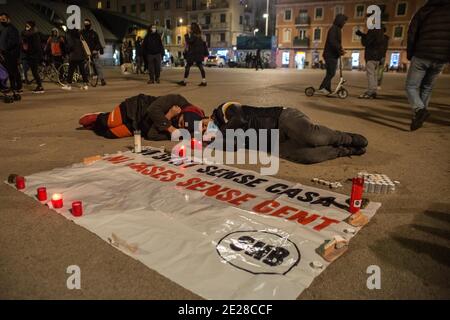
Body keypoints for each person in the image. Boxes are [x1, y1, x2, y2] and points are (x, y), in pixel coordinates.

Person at [202, 102, 368, 165]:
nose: (205, 128)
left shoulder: (224, 108)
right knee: (308, 157)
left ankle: (346, 137)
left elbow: (239, 119)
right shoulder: (223, 136)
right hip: (274, 145)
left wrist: (217, 135)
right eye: (202, 131)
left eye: (204, 125)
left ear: (207, 117)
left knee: (311, 137)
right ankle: (344, 150)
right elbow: (233, 147)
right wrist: (212, 141)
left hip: (282, 119)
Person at [78, 94, 205, 140]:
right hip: (135, 108)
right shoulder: (177, 100)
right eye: (181, 121)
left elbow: (151, 135)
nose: (178, 125)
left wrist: (167, 117)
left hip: (137, 127)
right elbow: (152, 109)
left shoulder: (179, 132)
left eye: (181, 126)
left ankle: (96, 125)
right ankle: (100, 116)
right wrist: (169, 125)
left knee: (108, 134)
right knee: (108, 123)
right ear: (182, 112)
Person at [405, 0, 450, 131]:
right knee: (427, 87)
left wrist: (410, 53)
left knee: (411, 86)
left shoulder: (425, 10)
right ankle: (418, 118)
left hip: (423, 53)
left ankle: (419, 111)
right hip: (442, 57)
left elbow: (412, 31)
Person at [318, 14, 348, 95]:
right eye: (344, 22)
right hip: (330, 55)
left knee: (329, 73)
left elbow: (336, 42)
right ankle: (322, 87)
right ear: (340, 21)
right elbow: (332, 41)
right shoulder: (334, 29)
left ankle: (327, 89)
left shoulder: (336, 29)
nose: (344, 24)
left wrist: (340, 50)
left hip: (332, 54)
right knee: (332, 73)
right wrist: (340, 48)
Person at [356, 24, 385, 99]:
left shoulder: (372, 30)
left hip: (371, 55)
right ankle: (374, 91)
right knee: (374, 74)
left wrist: (362, 35)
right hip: (377, 57)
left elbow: (366, 42)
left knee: (370, 74)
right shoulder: (380, 31)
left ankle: (370, 92)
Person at [178, 22, 207, 87]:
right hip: (199, 54)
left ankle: (184, 81)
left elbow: (189, 41)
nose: (189, 28)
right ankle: (204, 81)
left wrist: (186, 35)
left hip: (193, 54)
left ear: (193, 28)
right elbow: (204, 44)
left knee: (188, 66)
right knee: (200, 67)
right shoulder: (200, 35)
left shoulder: (194, 35)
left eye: (190, 27)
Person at [0, 13, 22, 94]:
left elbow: (13, 42)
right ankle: (13, 87)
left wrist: (4, 48)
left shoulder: (12, 29)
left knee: (14, 71)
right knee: (10, 72)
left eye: (3, 19)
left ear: (8, 19)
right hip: (6, 54)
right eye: (0, 20)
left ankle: (18, 87)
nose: (2, 21)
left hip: (11, 54)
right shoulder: (4, 29)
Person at [81, 19, 106, 86]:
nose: (86, 25)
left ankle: (102, 79)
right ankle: (85, 79)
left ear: (90, 24)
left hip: (93, 52)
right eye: (85, 23)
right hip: (85, 53)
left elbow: (98, 42)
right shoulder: (81, 33)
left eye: (87, 23)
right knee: (84, 66)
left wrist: (97, 49)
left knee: (98, 66)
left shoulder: (94, 33)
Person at [21, 21, 44, 93]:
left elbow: (36, 47)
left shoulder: (34, 35)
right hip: (30, 55)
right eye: (26, 25)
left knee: (34, 72)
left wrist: (28, 50)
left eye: (28, 26)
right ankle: (38, 85)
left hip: (34, 56)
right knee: (31, 70)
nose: (26, 27)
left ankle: (40, 86)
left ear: (32, 26)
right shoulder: (28, 35)